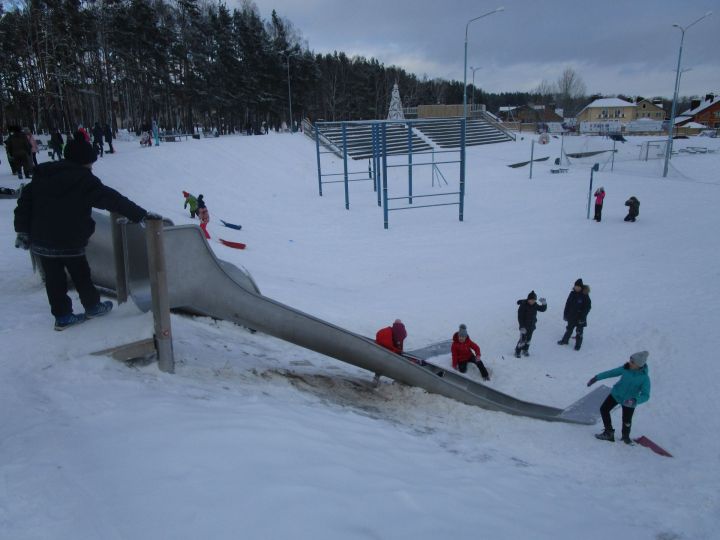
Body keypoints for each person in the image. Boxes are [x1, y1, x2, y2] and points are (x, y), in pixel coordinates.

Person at [13, 132, 151, 331]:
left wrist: (23, 232)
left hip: (42, 241)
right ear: (84, 162)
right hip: (70, 240)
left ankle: (62, 316)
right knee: (81, 275)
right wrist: (140, 214)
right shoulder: (84, 180)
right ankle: (93, 306)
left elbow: (24, 206)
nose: (91, 167)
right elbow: (112, 199)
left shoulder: (42, 177)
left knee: (54, 280)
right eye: (90, 163)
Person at [587, 351, 651, 444]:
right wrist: (597, 377)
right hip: (616, 394)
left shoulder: (644, 379)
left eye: (632, 362)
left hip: (629, 401)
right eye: (630, 360)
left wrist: (635, 400)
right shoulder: (625, 369)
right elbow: (611, 373)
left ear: (639, 365)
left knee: (627, 420)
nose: (630, 363)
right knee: (604, 409)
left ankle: (625, 437)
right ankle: (609, 433)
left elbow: (646, 395)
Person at [558, 278, 591, 350]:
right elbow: (567, 304)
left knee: (579, 332)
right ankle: (565, 340)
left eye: (578, 287)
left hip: (580, 318)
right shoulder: (572, 293)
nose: (576, 288)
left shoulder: (585, 295)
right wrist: (565, 314)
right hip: (571, 316)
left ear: (581, 287)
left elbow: (587, 308)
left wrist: (582, 317)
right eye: (575, 286)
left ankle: (578, 345)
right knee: (569, 329)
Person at [515, 290, 547, 358]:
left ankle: (525, 350)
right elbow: (520, 317)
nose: (532, 301)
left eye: (534, 300)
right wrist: (522, 326)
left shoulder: (535, 305)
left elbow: (542, 309)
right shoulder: (523, 305)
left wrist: (544, 304)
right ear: (528, 299)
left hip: (531, 326)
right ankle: (517, 351)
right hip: (524, 327)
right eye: (531, 300)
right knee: (522, 340)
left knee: (528, 340)